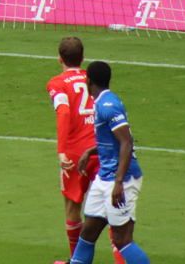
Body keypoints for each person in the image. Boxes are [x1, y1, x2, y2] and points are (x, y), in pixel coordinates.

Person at [47, 38, 124, 264]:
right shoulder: (93, 78)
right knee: (113, 209)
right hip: (101, 150)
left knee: (73, 207)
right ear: (82, 58)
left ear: (59, 58)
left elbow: (62, 112)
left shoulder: (57, 83)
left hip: (74, 153)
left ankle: (76, 260)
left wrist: (61, 150)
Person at [69, 61, 149, 264]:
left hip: (121, 179)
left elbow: (126, 143)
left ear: (88, 81)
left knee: (122, 240)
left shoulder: (108, 106)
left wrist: (119, 183)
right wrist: (91, 151)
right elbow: (112, 141)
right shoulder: (103, 102)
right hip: (104, 177)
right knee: (87, 234)